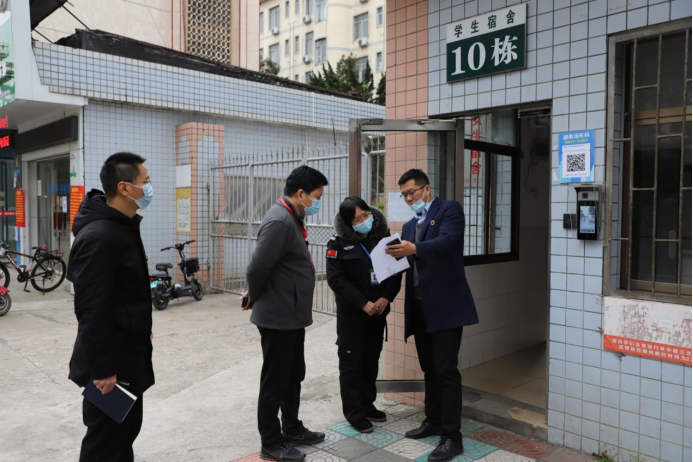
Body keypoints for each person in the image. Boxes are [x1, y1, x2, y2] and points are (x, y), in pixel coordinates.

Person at [385, 169, 478, 462]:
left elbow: (448, 242)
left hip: (446, 306)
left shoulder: (449, 210)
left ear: (427, 189)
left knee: (446, 370)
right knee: (429, 368)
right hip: (419, 306)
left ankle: (452, 437)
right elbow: (405, 262)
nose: (408, 199)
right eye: (404, 195)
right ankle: (434, 420)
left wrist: (415, 248)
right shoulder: (409, 226)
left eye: (411, 193)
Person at [67, 152, 155, 462]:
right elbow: (92, 310)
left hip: (128, 354)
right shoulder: (100, 236)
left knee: (123, 435)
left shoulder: (123, 226)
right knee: (105, 445)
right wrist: (103, 370)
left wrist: (141, 328)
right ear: (124, 187)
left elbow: (124, 294)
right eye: (145, 181)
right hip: (111, 367)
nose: (149, 187)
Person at [244, 165, 329, 462]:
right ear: (301, 193)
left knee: (293, 374)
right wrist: (254, 295)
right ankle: (271, 441)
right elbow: (257, 267)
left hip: (291, 314)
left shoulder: (293, 216)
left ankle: (292, 428)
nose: (318, 202)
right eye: (317, 196)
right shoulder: (280, 220)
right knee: (276, 380)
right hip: (279, 316)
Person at [326, 197, 401, 434]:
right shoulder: (337, 243)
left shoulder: (385, 237)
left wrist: (386, 297)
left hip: (378, 312)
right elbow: (336, 279)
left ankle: (367, 405)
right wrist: (362, 303)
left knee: (370, 360)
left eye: (366, 215)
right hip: (352, 317)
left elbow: (396, 271)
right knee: (351, 365)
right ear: (348, 223)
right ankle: (354, 412)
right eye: (357, 219)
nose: (363, 221)